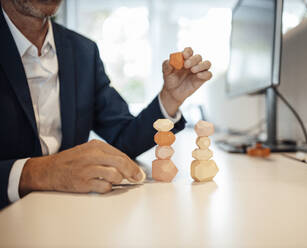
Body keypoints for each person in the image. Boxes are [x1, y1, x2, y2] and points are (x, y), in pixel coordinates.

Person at [0, 0, 212, 209]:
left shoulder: (83, 51)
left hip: (69, 213)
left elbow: (124, 139)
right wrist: (37, 173)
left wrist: (170, 98)